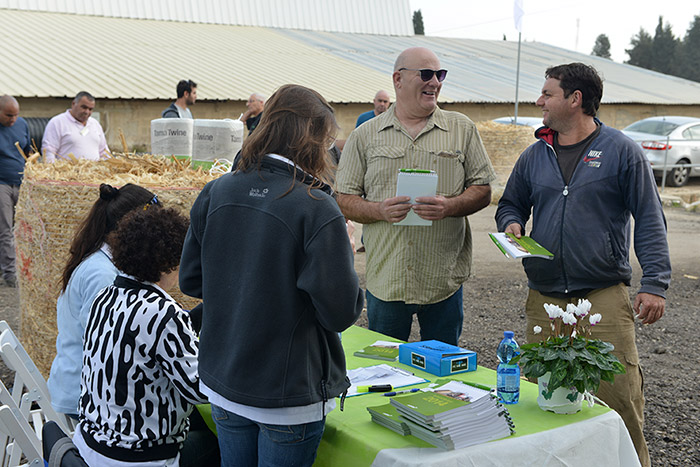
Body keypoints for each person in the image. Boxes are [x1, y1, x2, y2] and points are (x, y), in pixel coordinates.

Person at [495, 62, 671, 467]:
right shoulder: (535, 153)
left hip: (601, 298)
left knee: (616, 401)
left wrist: (655, 283)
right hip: (545, 299)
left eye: (547, 94)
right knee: (542, 401)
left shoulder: (622, 151)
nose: (539, 101)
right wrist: (512, 222)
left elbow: (648, 218)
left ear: (575, 100)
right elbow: (511, 203)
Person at [180, 84, 363, 467]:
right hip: (288, 394)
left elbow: (192, 281)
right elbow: (339, 313)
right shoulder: (316, 208)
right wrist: (342, 248)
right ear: (313, 138)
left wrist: (245, 284)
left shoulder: (217, 191)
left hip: (225, 380)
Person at [336, 47, 496, 346]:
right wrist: (378, 211)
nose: (435, 82)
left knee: (444, 373)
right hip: (388, 279)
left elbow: (483, 190)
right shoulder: (365, 135)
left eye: (440, 74)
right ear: (398, 79)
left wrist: (450, 206)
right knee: (384, 373)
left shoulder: (461, 128)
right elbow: (343, 198)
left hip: (443, 280)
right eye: (426, 74)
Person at [74, 206, 218, 466]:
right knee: (223, 441)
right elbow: (200, 390)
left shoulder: (105, 297)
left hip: (91, 445)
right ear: (172, 261)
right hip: (139, 458)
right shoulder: (163, 314)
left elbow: (144, 337)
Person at [47, 183, 159, 418]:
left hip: (84, 386)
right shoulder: (103, 275)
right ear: (133, 229)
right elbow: (107, 347)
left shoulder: (102, 261)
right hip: (85, 397)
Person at [0, 95, 30, 288]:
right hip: (1, 183)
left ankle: (21, 268)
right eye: (8, 115)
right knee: (4, 230)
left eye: (16, 115)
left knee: (21, 229)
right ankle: (10, 273)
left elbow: (27, 151)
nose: (13, 119)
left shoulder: (22, 124)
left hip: (21, 182)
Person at [42, 91, 110, 162]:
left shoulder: (95, 124)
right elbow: (48, 151)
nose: (87, 112)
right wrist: (51, 169)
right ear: (73, 104)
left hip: (94, 172)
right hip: (68, 172)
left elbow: (104, 152)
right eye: (84, 107)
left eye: (90, 109)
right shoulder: (57, 122)